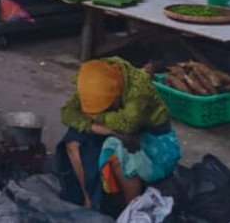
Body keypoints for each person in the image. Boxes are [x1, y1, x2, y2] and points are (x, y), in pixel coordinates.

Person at [56, 57, 180, 212]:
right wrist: (105, 129)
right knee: (73, 142)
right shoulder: (95, 80)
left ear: (116, 97)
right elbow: (67, 114)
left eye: (105, 107)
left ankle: (130, 210)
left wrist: (93, 117)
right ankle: (89, 200)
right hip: (113, 130)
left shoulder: (139, 91)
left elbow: (127, 126)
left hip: (154, 141)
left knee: (120, 155)